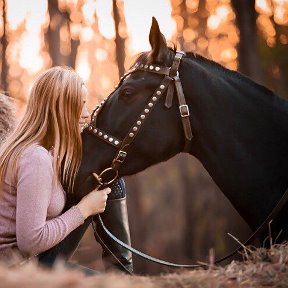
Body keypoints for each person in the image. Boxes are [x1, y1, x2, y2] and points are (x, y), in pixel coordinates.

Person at [0, 67, 115, 274]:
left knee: (113, 181)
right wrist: (84, 210)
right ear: (60, 109)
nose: (87, 114)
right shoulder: (36, 158)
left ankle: (124, 272)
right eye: (80, 105)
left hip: (31, 260)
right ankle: (124, 277)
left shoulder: (44, 153)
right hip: (15, 269)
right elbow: (31, 242)